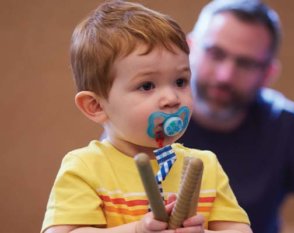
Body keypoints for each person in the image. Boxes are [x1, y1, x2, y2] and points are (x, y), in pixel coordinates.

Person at [41, 1, 253, 233]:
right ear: (95, 106)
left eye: (180, 81)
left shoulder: (206, 166)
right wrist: (137, 229)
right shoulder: (85, 167)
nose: (172, 98)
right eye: (147, 85)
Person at [179, 0, 294, 233]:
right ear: (190, 48)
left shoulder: (285, 124)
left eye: (246, 63)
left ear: (268, 74)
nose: (225, 76)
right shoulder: (146, 114)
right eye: (216, 53)